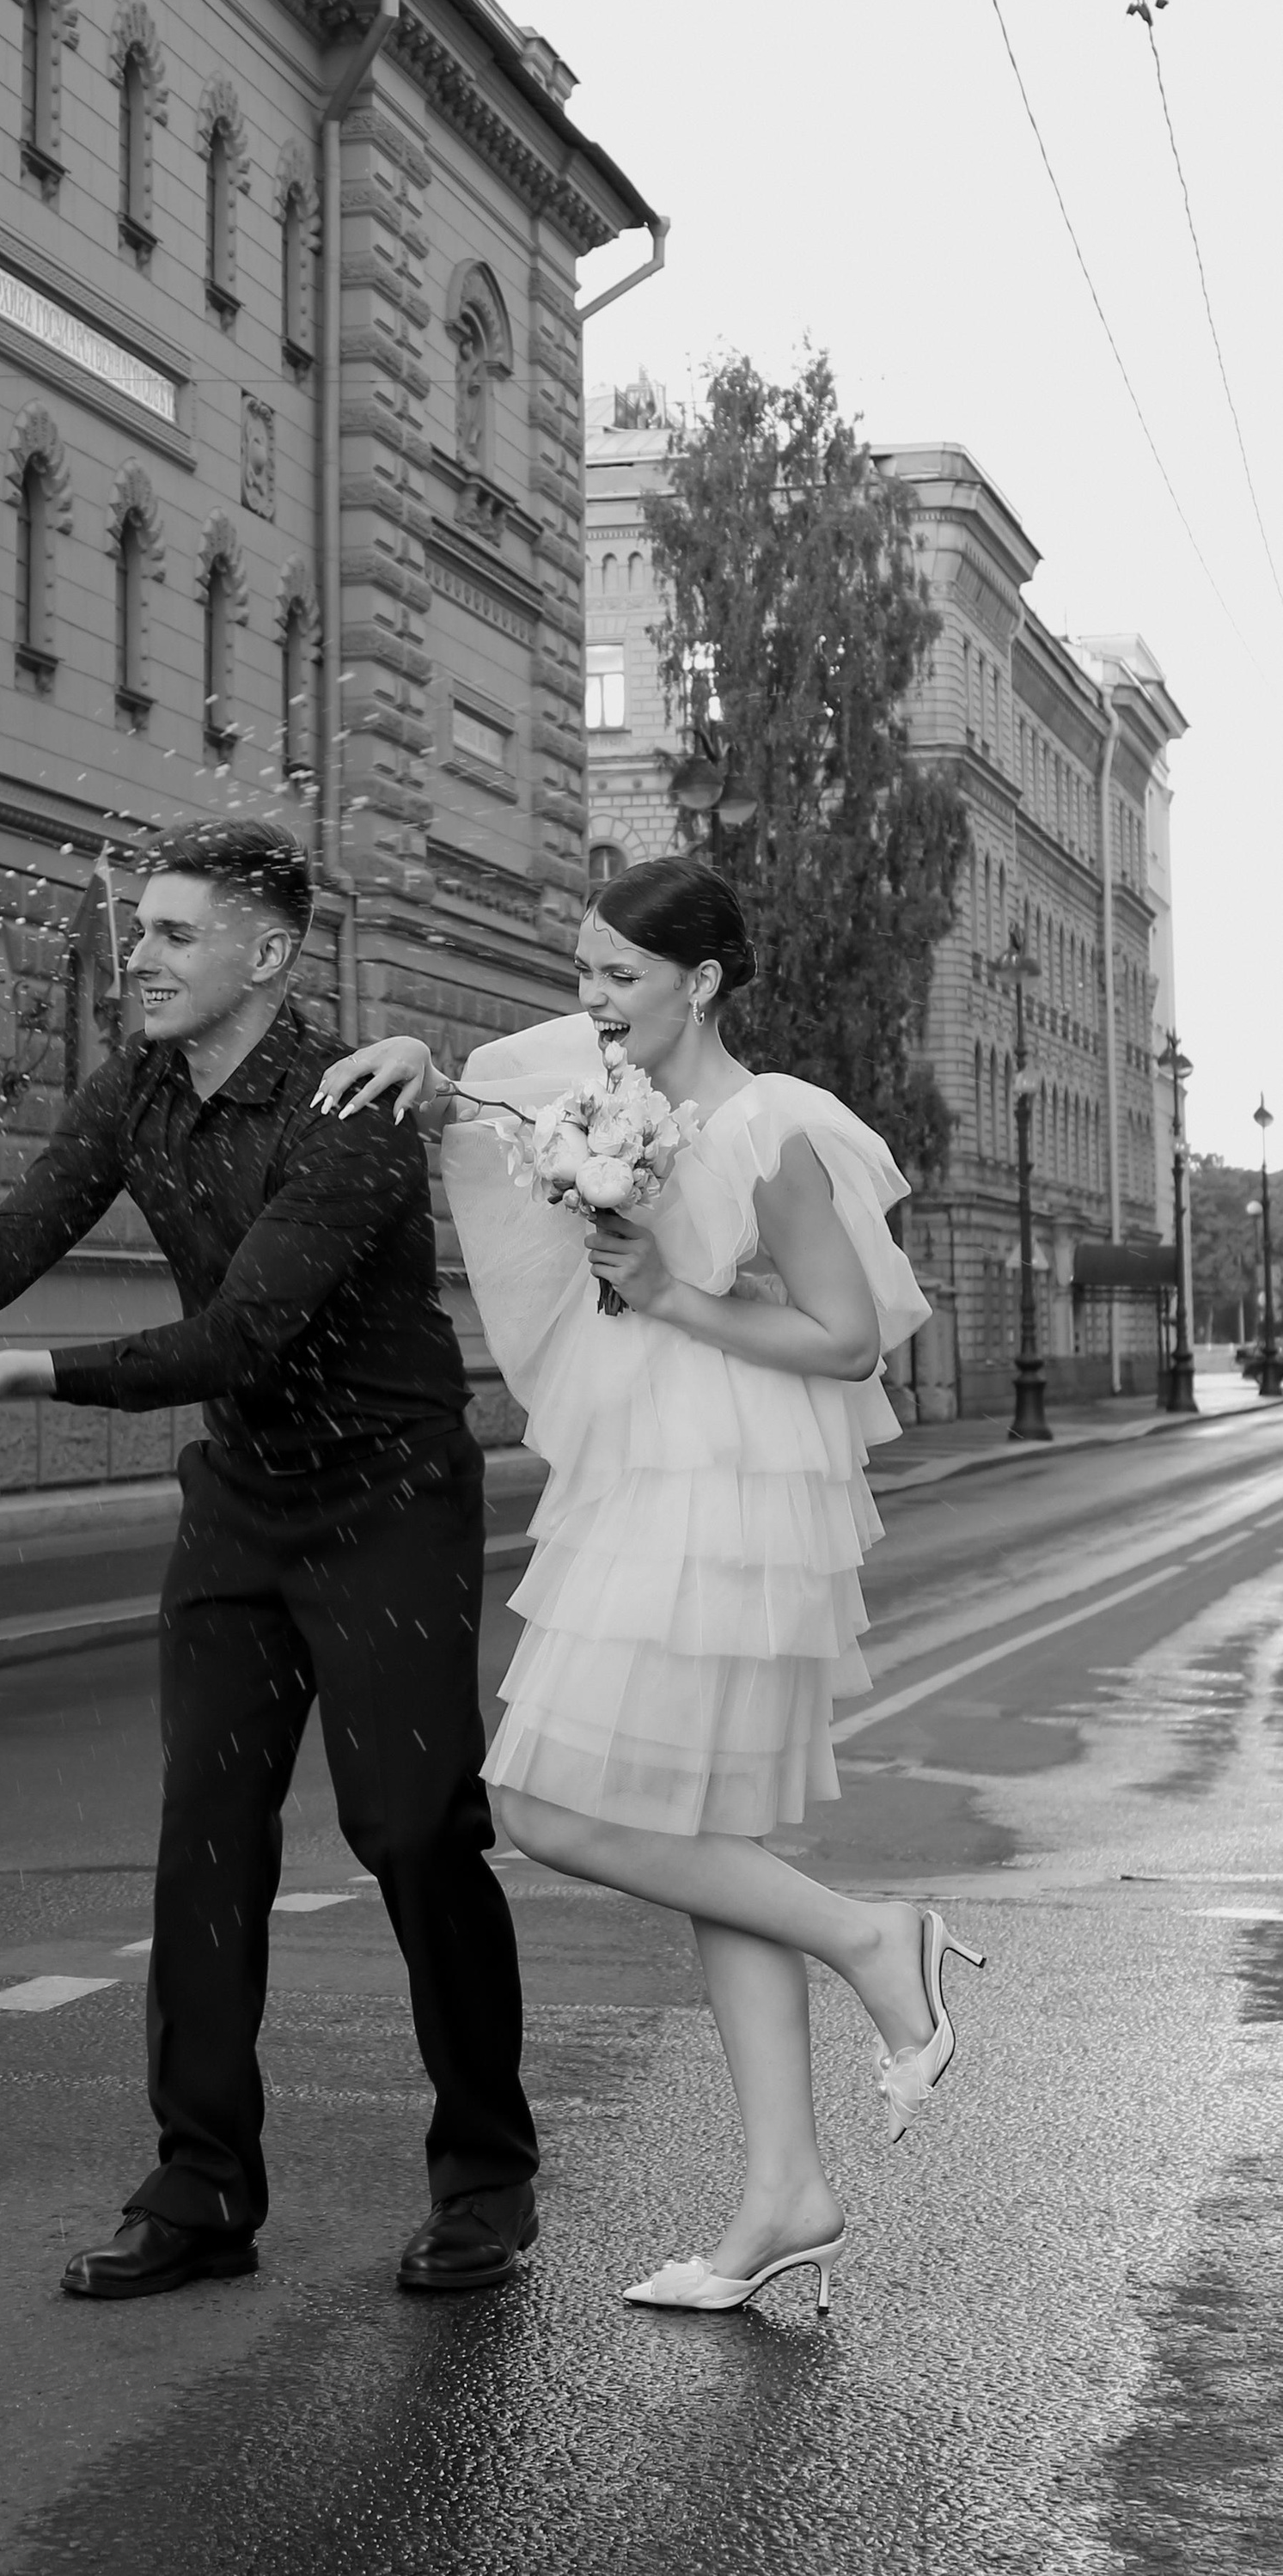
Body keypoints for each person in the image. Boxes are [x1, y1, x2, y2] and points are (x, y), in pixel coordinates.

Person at [0, 821, 539, 2300]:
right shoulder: (133, 1090)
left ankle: (488, 2174)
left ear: (271, 952)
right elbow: (4, 1248)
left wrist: (26, 1375)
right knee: (205, 1841)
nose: (147, 956)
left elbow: (241, 1332)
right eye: (144, 930)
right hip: (245, 1504)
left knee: (414, 1832)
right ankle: (200, 2187)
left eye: (181, 934)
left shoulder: (350, 1108)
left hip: (388, 1500)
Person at [317, 856, 982, 2317]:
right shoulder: (595, 1090)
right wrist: (424, 1062)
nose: (593, 1003)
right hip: (638, 1474)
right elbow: (480, 1102)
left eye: (619, 977)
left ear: (704, 982)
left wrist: (675, 1295)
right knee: (705, 1835)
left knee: (551, 1803)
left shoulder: (776, 1127)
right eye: (581, 973)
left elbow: (851, 1340)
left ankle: (883, 1944)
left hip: (722, 1493)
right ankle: (786, 2191)